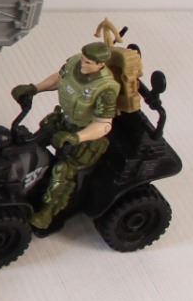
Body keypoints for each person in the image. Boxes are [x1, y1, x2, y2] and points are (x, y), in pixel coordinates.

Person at [11, 39, 121, 230]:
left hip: (85, 135)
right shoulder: (74, 63)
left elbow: (103, 125)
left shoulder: (105, 89)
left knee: (63, 172)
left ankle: (47, 212)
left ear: (100, 64)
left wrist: (76, 137)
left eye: (88, 62)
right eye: (83, 58)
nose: (83, 63)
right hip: (64, 120)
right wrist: (34, 88)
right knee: (30, 143)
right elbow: (59, 79)